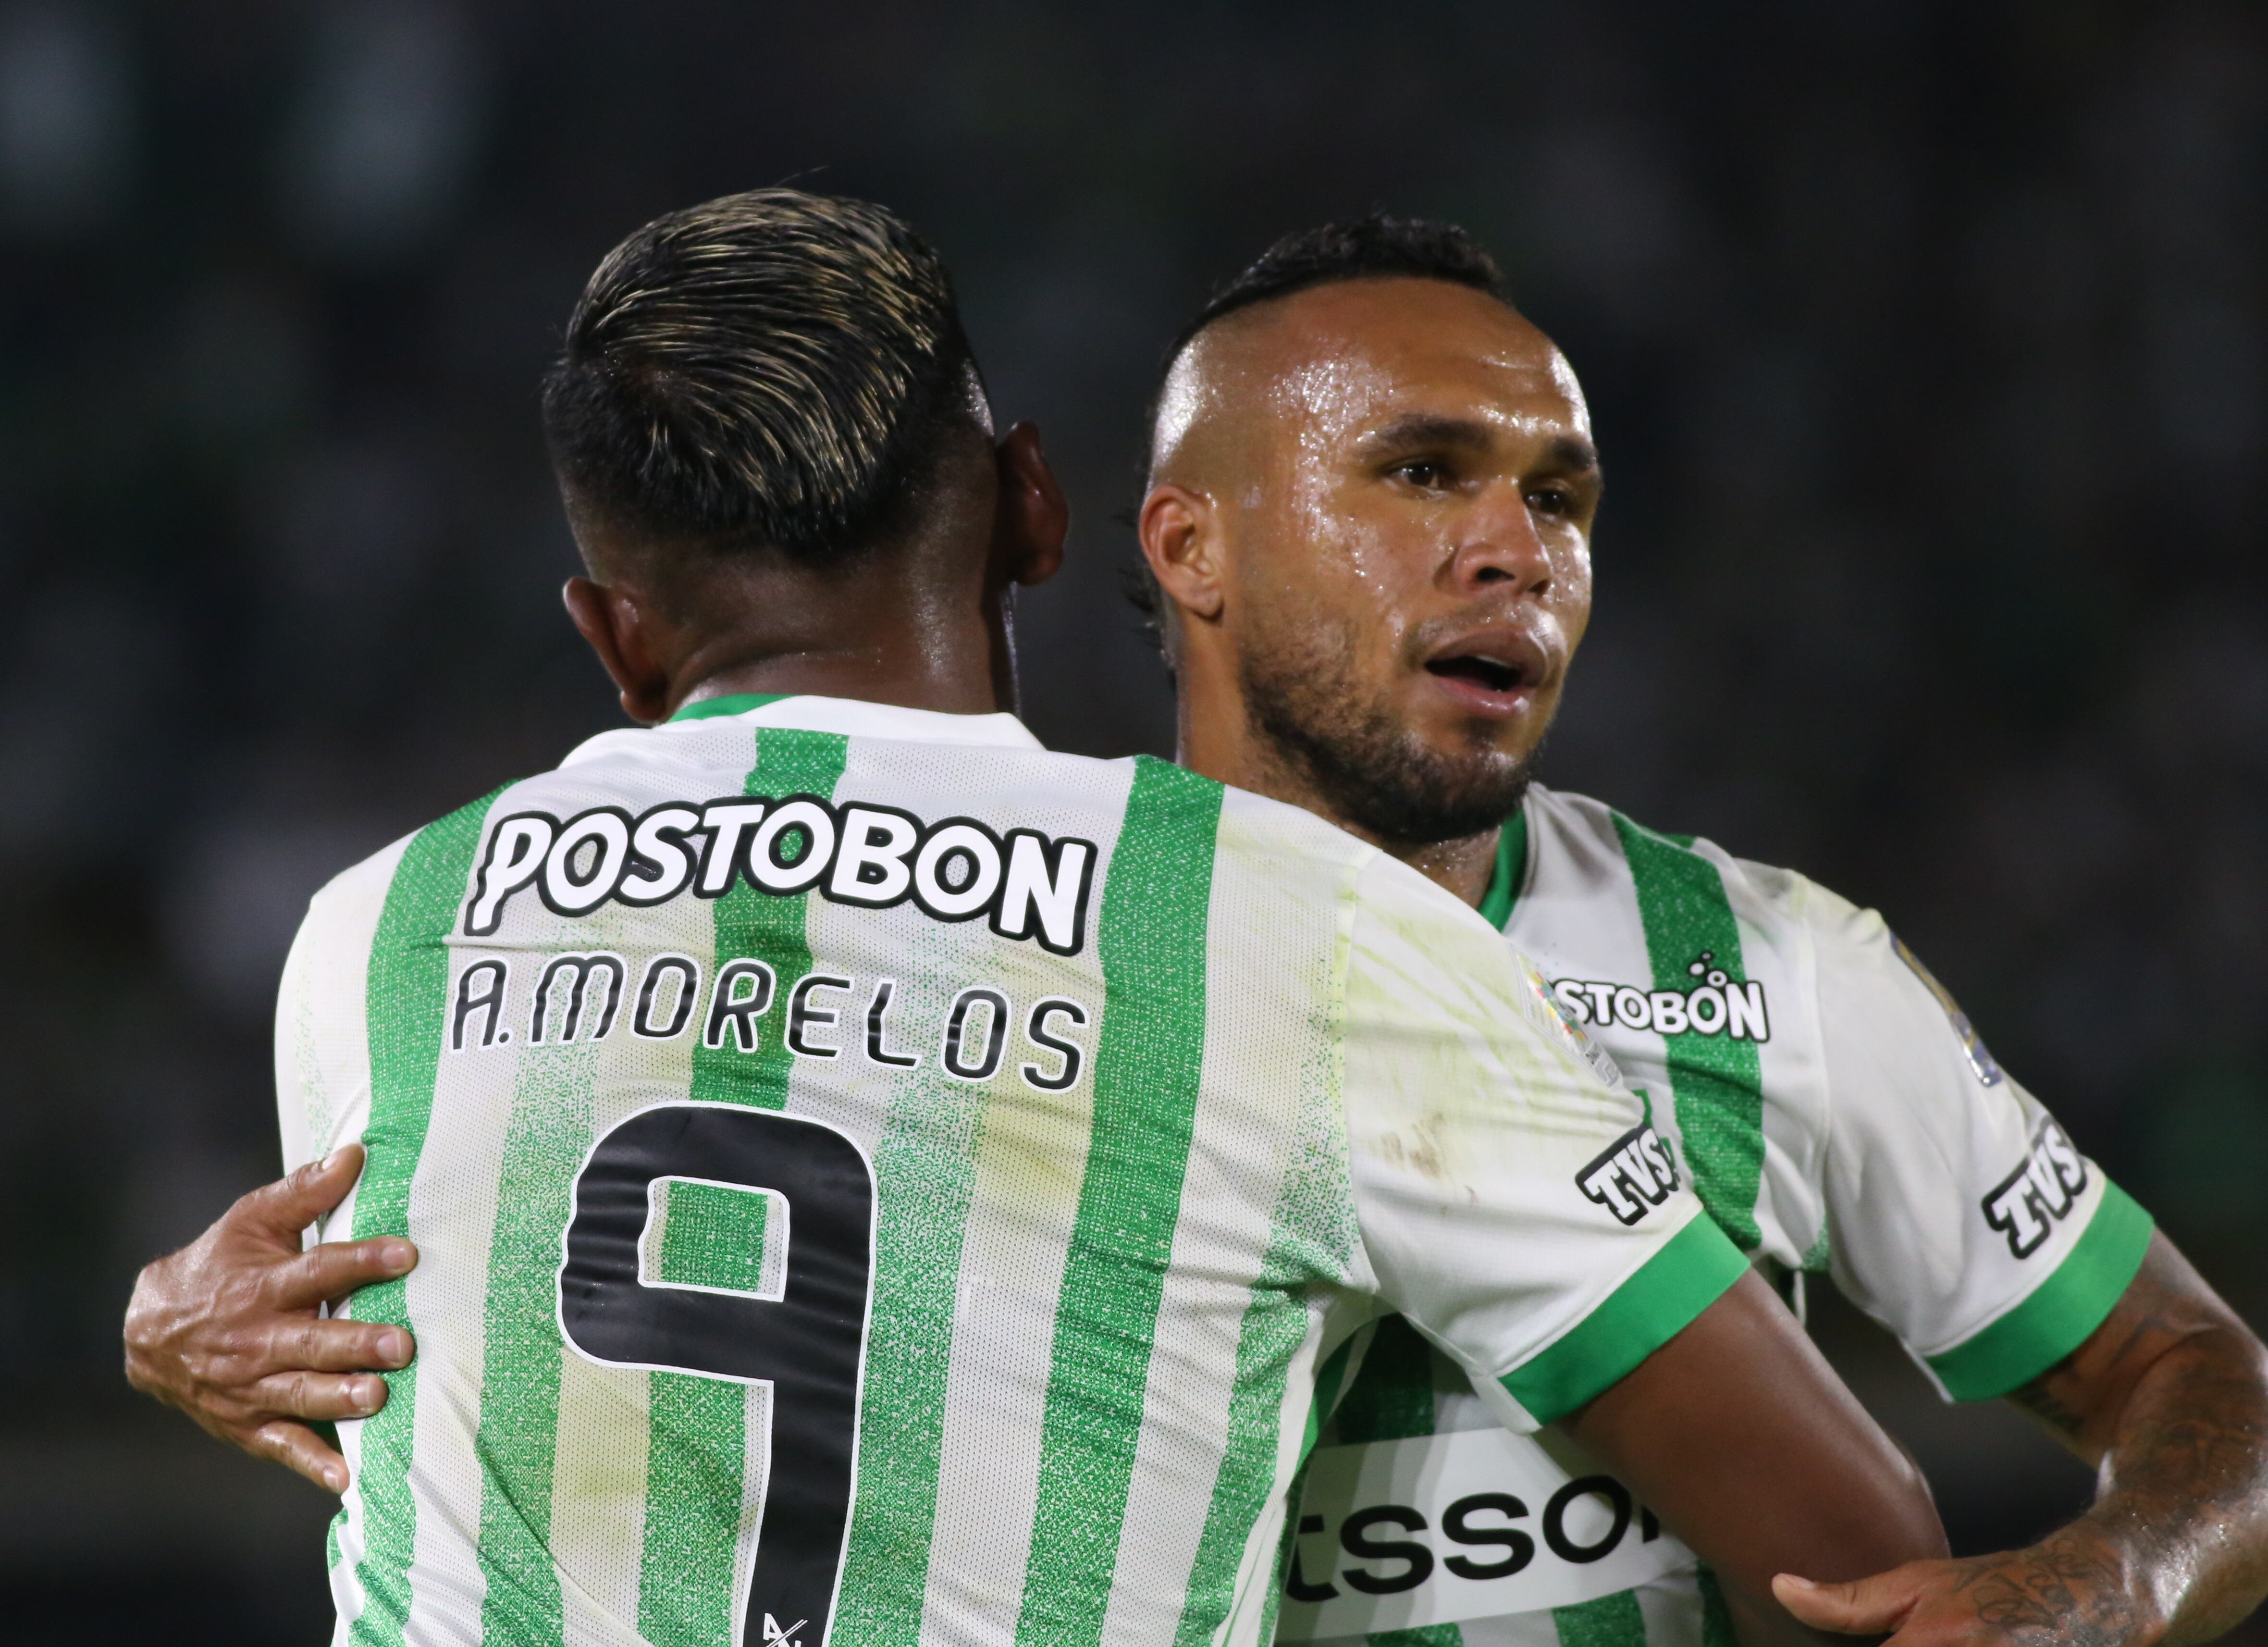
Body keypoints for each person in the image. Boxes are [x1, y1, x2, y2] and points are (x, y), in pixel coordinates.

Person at [124, 190, 1941, 1647]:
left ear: (613, 638)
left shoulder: (372, 935)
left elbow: (386, 1388)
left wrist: (158, 1329)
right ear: (1040, 507)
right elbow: (1861, 1550)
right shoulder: (1299, 928)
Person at [1124, 217, 2268, 1647]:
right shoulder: (1020, 951)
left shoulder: (1773, 969)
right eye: (1422, 474)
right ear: (1194, 545)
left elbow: (2196, 1370)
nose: (1518, 554)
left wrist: (2116, 1581)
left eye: (1559, 500)